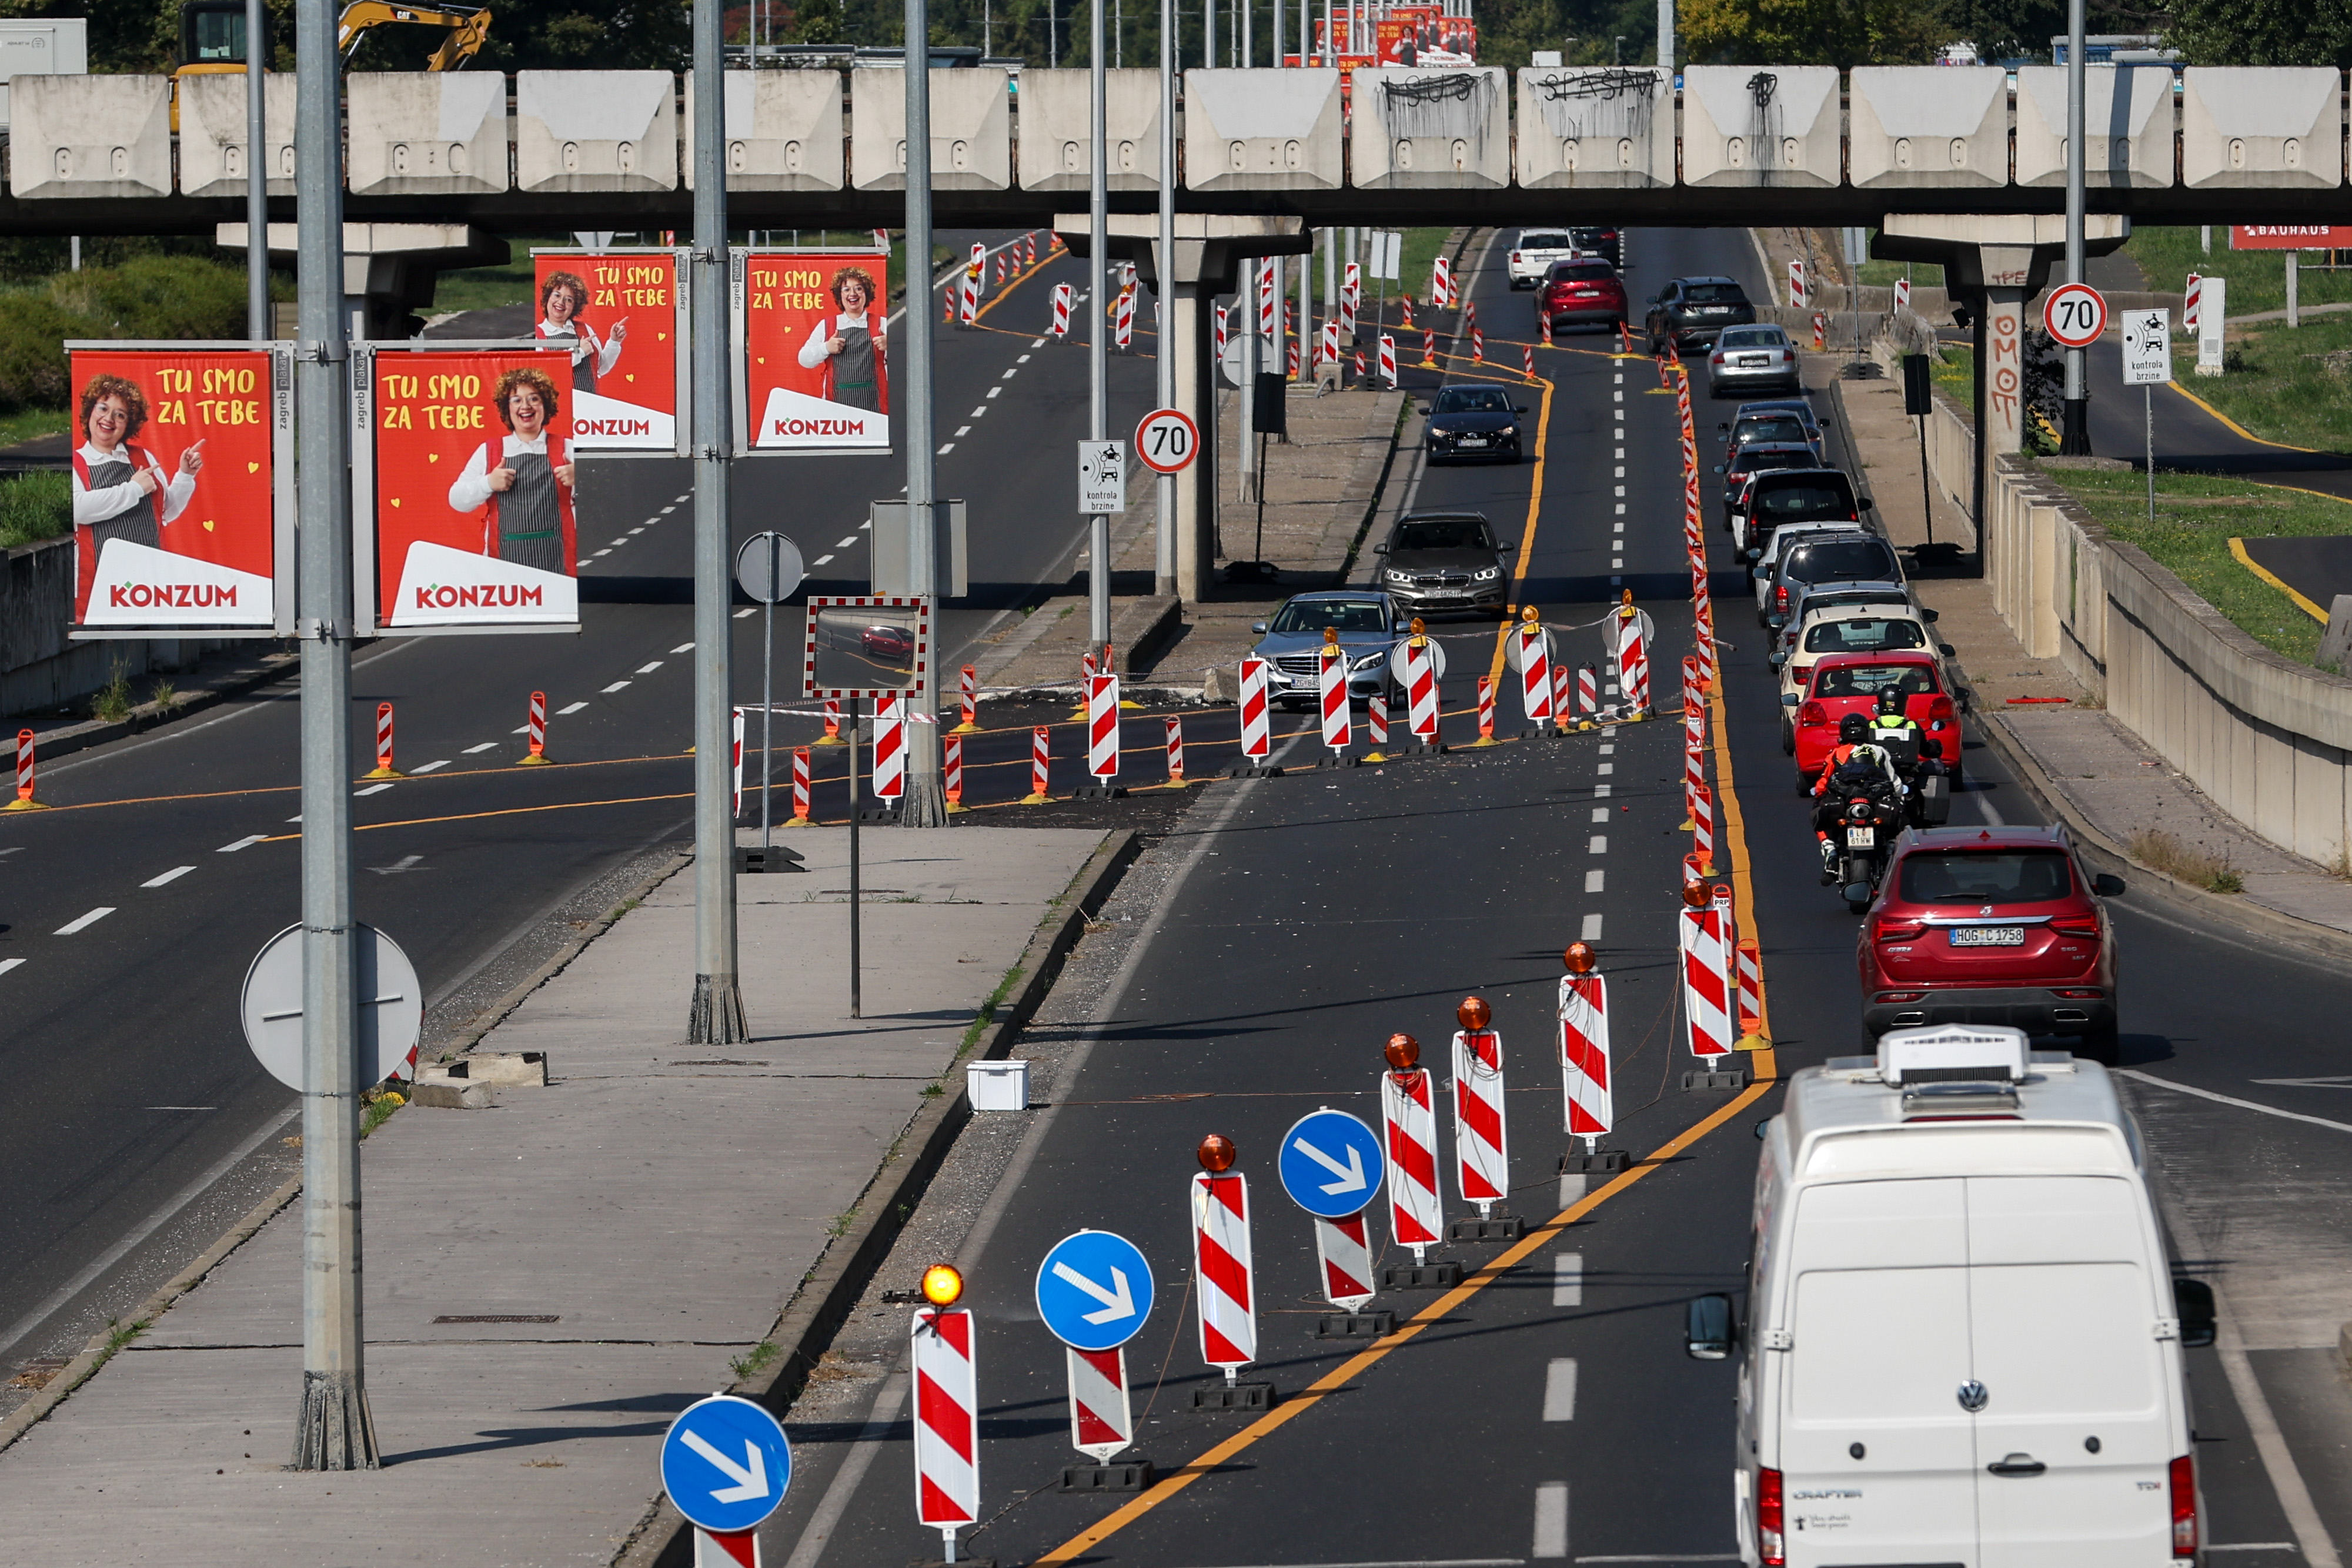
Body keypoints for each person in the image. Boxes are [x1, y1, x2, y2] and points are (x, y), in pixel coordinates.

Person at [71, 373, 205, 613]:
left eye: (120, 415)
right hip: (102, 580)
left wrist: (185, 475)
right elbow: (79, 509)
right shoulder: (76, 463)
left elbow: (165, 511)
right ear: (90, 411)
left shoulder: (143, 457)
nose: (109, 419)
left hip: (148, 580)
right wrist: (133, 490)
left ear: (128, 424)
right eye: (103, 408)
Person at [445, 366, 576, 575]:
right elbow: (457, 500)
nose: (526, 406)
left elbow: (605, 503)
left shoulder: (568, 448)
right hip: (503, 567)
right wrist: (488, 483)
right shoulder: (490, 451)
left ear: (546, 405)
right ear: (507, 408)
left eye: (534, 399)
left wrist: (582, 478)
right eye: (516, 400)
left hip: (559, 565)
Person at [1810, 712, 1902, 878]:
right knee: (1898, 816)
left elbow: (1823, 783)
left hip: (1847, 802)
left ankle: (1830, 849)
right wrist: (1898, 797)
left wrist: (1819, 794)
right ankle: (1890, 849)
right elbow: (1894, 781)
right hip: (1874, 799)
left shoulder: (1836, 754)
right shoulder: (1880, 751)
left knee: (1818, 808)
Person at [794, 265, 889, 413]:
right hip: (836, 408)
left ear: (866, 294)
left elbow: (908, 363)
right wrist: (826, 348)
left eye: (859, 289)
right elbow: (804, 360)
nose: (853, 294)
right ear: (840, 295)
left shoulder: (882, 324)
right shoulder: (827, 325)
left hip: (875, 407)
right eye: (846, 289)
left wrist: (890, 346)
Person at [536, 270, 626, 396]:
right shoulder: (538, 336)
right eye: (557, 295)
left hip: (591, 406)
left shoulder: (584, 329)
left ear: (575, 307)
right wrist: (580, 351)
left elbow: (601, 367)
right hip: (560, 406)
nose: (561, 303)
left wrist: (614, 342)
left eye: (569, 300)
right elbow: (548, 371)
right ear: (548, 298)